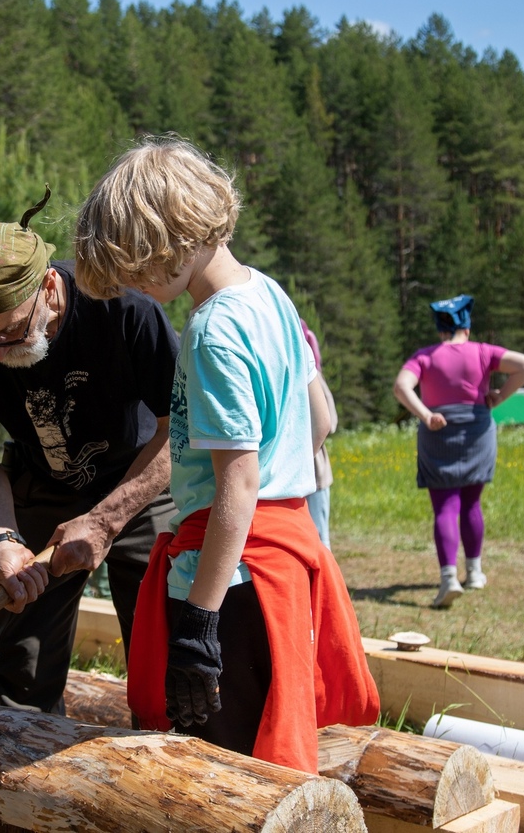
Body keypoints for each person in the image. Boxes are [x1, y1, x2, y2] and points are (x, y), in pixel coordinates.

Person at [72, 136, 378, 772]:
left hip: (234, 582)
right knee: (272, 751)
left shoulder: (211, 331)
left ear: (162, 242)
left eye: (131, 266)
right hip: (284, 563)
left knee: (229, 771)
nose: (130, 283)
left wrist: (199, 625)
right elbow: (323, 419)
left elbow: (237, 486)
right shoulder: (268, 294)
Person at [0, 188, 179, 717]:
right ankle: (25, 783)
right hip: (42, 483)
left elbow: (179, 433)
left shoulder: (124, 310)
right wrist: (3, 538)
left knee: (165, 650)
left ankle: (166, 770)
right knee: (23, 661)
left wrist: (107, 519)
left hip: (140, 483)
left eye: (11, 330)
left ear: (47, 285)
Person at [392, 294, 524, 609]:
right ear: (466, 329)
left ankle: (448, 579)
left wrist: (426, 415)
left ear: (440, 329)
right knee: (472, 502)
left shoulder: (425, 356)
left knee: (445, 506)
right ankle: (475, 573)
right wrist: (499, 397)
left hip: (438, 431)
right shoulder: (484, 352)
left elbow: (402, 386)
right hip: (477, 428)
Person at [301, 320, 338, 550]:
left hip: (314, 468)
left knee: (319, 540)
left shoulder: (311, 372)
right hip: (302, 469)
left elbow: (329, 422)